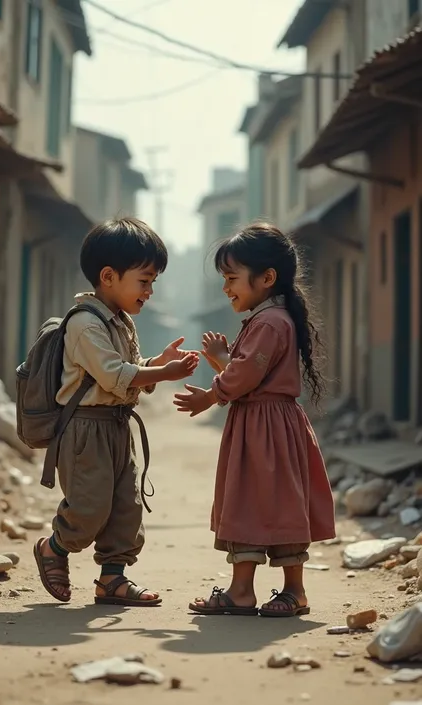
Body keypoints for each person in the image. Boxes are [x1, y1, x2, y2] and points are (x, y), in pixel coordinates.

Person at [34, 217, 199, 606]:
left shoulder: (121, 322)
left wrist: (158, 361)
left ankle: (113, 578)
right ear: (108, 276)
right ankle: (54, 547)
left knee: (126, 506)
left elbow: (130, 365)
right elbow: (113, 375)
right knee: (90, 508)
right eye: (144, 281)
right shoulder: (85, 324)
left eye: (153, 282)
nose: (150, 291)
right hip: (85, 429)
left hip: (117, 426)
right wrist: (164, 371)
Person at [174, 222, 335, 617]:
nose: (226, 288)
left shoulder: (268, 323)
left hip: (266, 429)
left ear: (266, 278)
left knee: (266, 502)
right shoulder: (270, 319)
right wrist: (224, 364)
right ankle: (247, 591)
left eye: (231, 279)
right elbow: (249, 372)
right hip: (263, 425)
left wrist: (211, 392)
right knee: (260, 501)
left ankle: (286, 591)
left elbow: (245, 377)